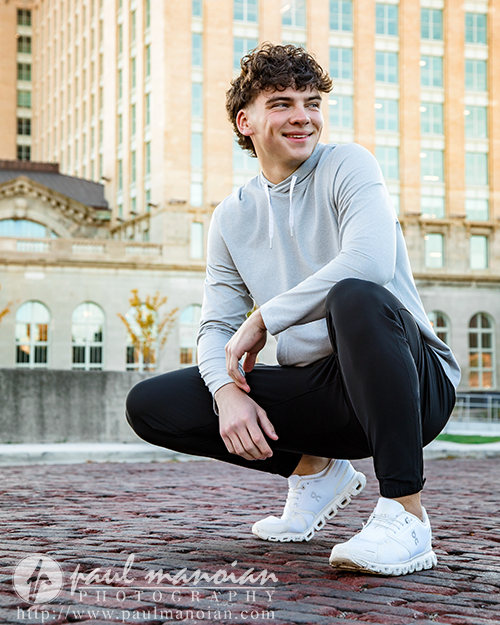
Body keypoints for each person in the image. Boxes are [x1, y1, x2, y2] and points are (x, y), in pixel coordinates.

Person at [126, 43, 460, 576]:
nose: (303, 116)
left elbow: (369, 264)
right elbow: (215, 325)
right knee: (153, 403)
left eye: (312, 102)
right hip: (326, 396)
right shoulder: (231, 217)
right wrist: (227, 391)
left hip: (414, 387)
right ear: (246, 121)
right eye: (281, 103)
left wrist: (265, 318)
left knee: (354, 296)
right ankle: (315, 468)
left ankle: (406, 515)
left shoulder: (349, 164)